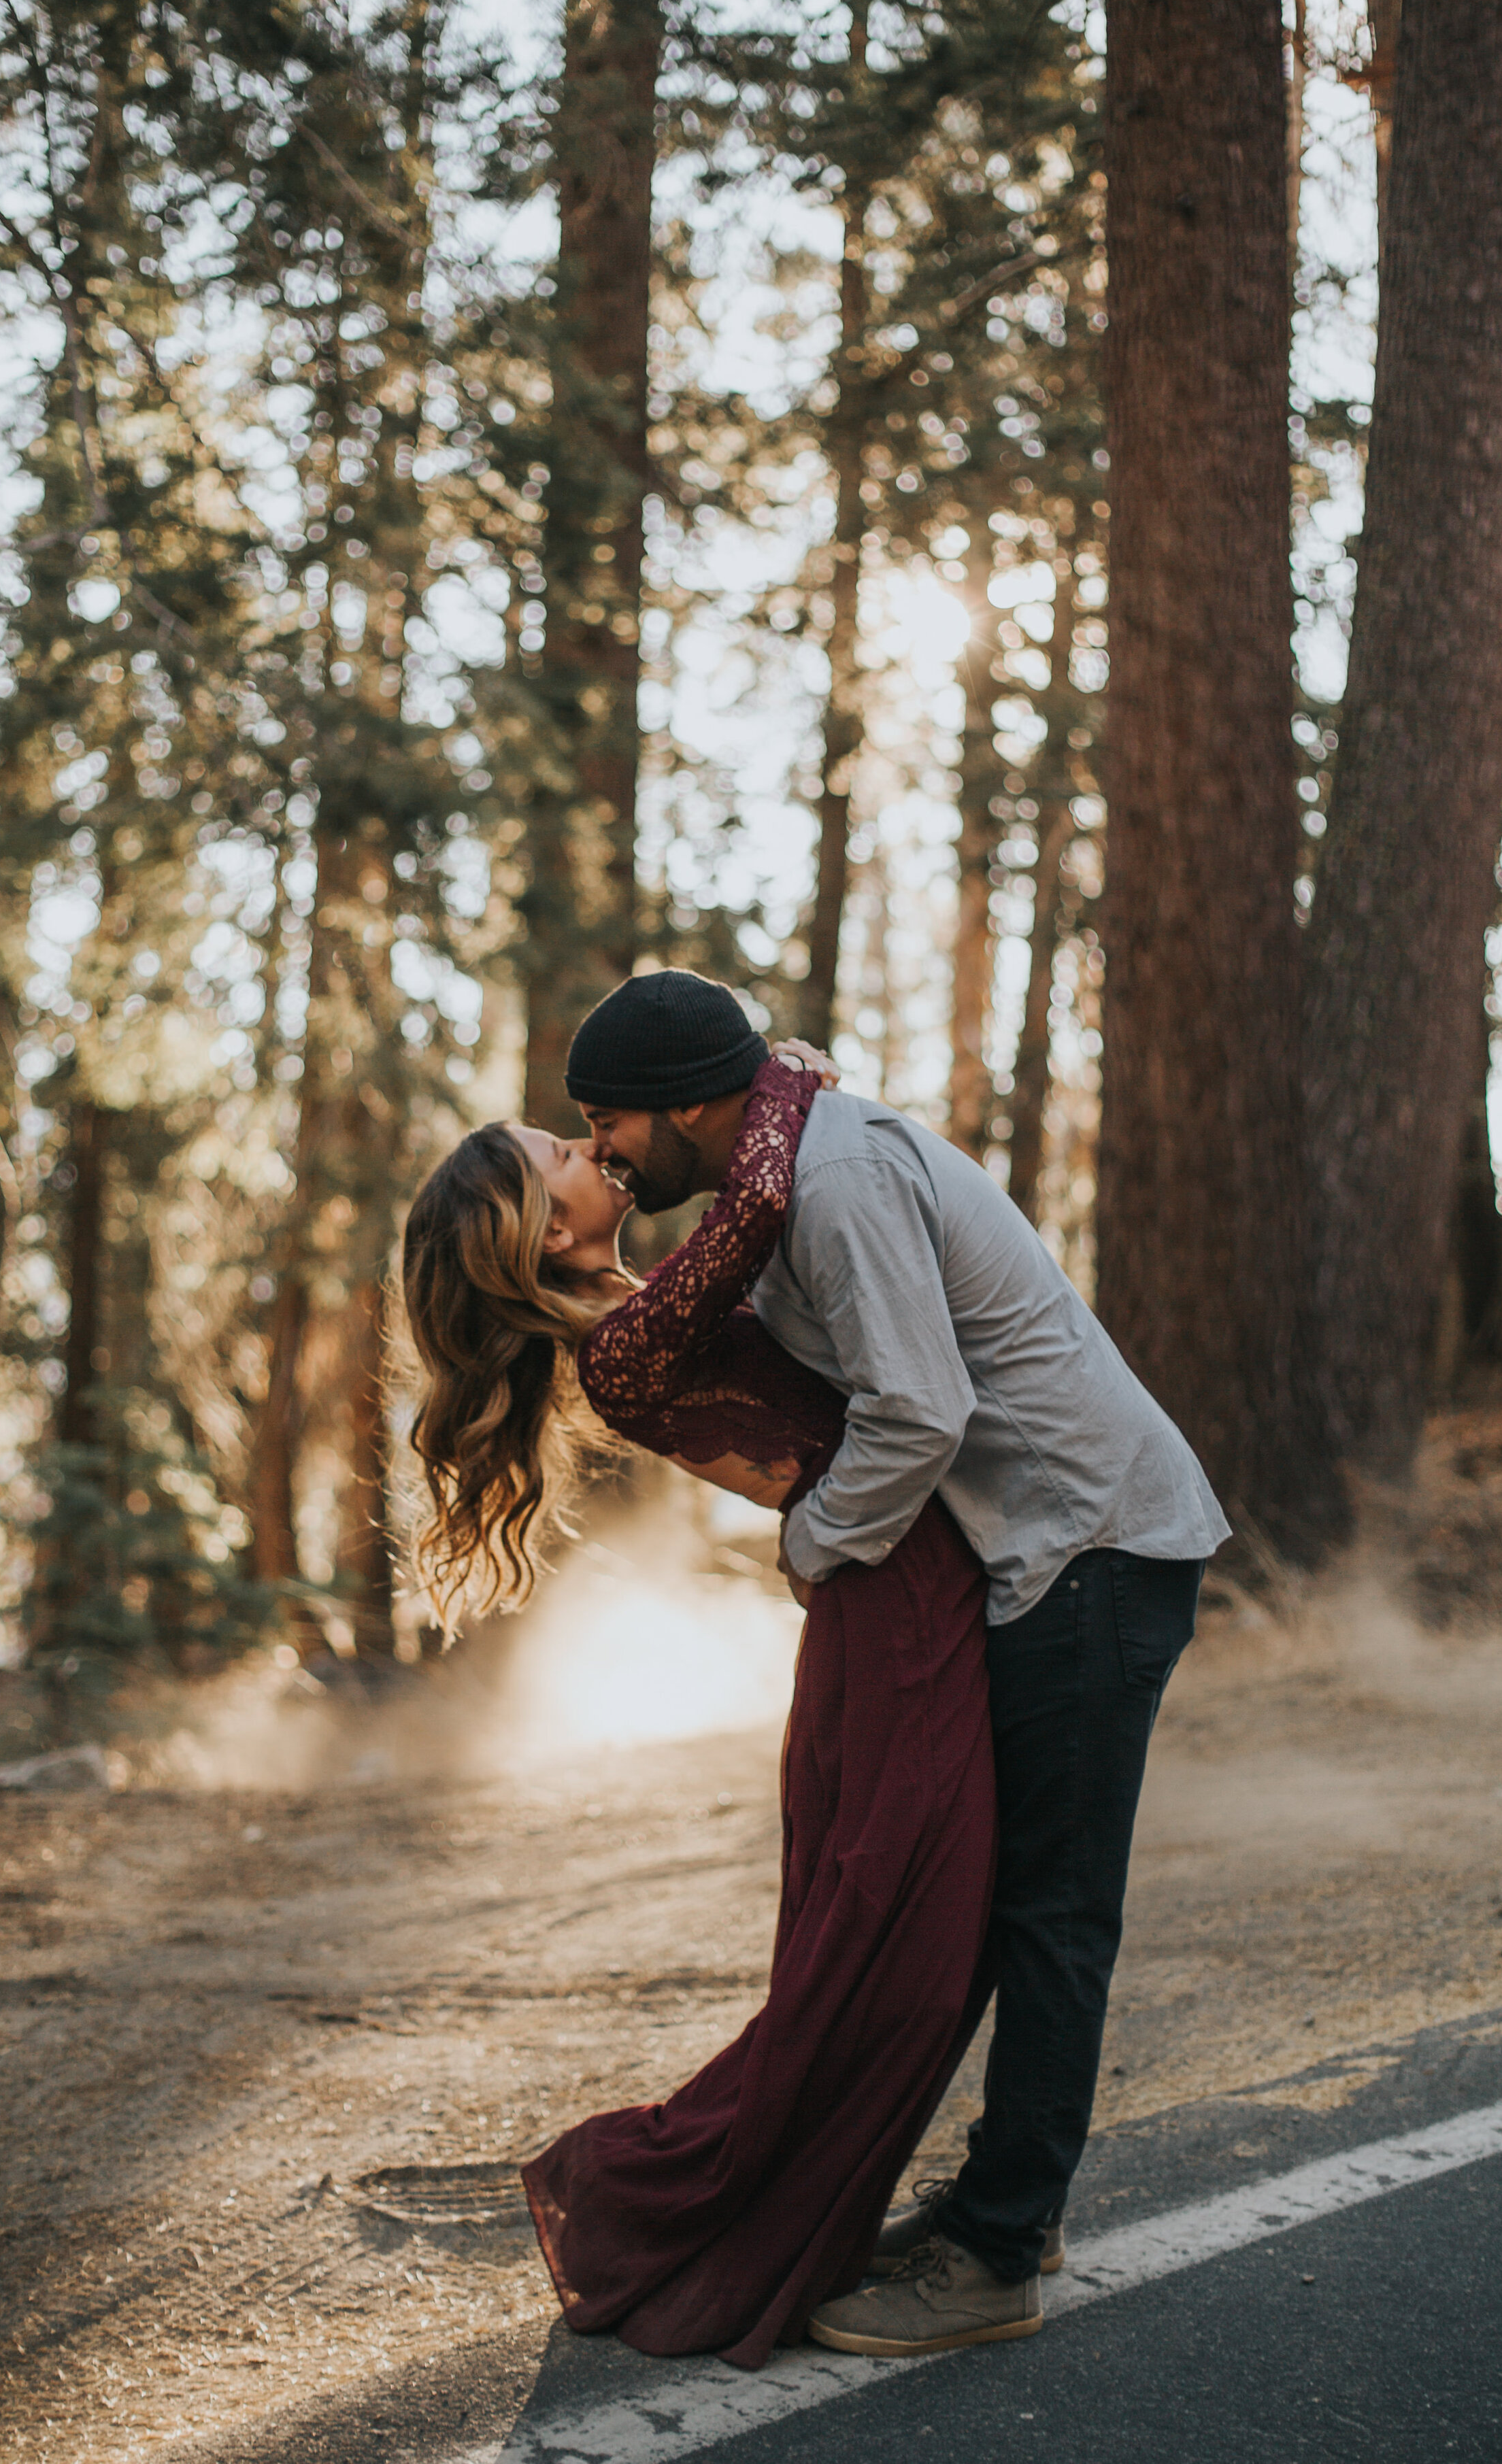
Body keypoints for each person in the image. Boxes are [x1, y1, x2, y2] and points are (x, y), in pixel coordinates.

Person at [569, 968, 1231, 2358]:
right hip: (1045, 1552)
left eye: (607, 1121)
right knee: (997, 1899)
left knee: (1048, 1910)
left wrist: (813, 1544)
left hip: (1086, 1544)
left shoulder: (830, 1183)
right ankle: (1006, 2201)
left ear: (689, 1098)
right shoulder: (786, 1165)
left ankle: (997, 2254)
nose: (604, 1153)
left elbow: (916, 1411)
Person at [400, 1034, 997, 2371]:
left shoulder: (640, 1302)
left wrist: (771, 1076)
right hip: (885, 1603)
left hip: (898, 1581)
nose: (593, 1147)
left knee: (907, 1939)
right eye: (566, 1155)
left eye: (586, 1133)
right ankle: (665, 2199)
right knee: (899, 1950)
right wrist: (772, 1065)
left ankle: (808, 2203)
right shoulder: (623, 1347)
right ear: (544, 1235)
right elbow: (761, 1195)